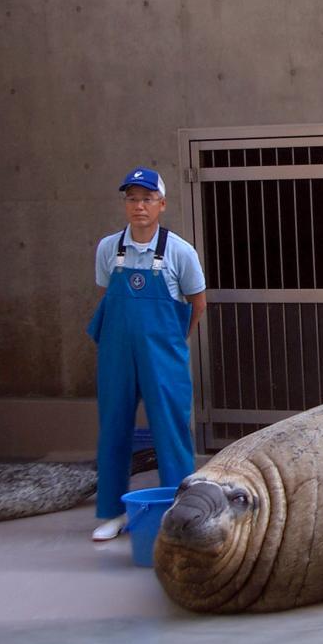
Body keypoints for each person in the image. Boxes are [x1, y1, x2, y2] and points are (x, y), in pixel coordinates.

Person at [87, 166, 206, 541]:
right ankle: (113, 512)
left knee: (170, 431)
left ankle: (180, 512)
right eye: (132, 198)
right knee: (114, 428)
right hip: (117, 352)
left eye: (147, 198)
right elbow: (107, 297)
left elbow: (197, 302)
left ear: (162, 204)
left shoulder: (180, 251)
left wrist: (173, 342)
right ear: (126, 203)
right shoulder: (109, 248)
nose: (139, 206)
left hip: (163, 355)